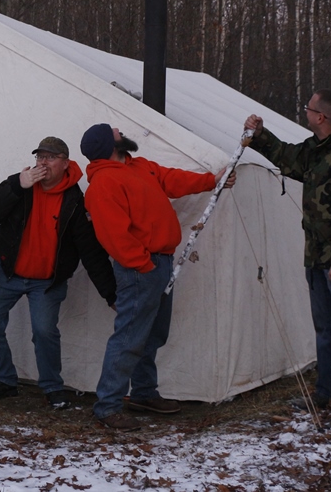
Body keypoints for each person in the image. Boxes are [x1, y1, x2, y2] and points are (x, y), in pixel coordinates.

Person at [244, 89, 331, 432]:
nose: (305, 112)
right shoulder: (320, 149)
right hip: (318, 255)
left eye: (308, 108)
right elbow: (291, 159)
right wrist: (261, 136)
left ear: (321, 117)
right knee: (327, 328)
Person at [80, 123, 235, 431]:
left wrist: (211, 181)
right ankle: (108, 406)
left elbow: (170, 179)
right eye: (114, 132)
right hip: (141, 268)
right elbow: (113, 235)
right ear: (107, 145)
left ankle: (144, 393)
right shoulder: (104, 183)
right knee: (128, 337)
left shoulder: (140, 167)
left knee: (153, 334)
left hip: (160, 264)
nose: (120, 130)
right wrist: (143, 265)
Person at [0, 137, 117, 409]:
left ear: (65, 164)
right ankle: (5, 380)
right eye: (40, 157)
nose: (43, 163)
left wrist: (110, 293)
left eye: (50, 158)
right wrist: (17, 185)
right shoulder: (21, 185)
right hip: (8, 273)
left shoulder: (75, 201)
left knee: (44, 331)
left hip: (47, 281)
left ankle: (52, 386)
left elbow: (91, 252)